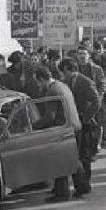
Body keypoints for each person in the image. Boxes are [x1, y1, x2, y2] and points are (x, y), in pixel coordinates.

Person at [35, 66, 91, 202]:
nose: (37, 85)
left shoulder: (52, 91)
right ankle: (83, 186)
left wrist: (34, 126)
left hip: (64, 128)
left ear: (42, 79)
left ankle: (62, 193)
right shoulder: (61, 85)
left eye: (37, 82)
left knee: (59, 161)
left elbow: (50, 117)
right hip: (74, 126)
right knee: (72, 159)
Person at [58, 58, 101, 196]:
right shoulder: (66, 83)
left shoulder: (86, 82)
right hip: (74, 123)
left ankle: (85, 184)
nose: (63, 75)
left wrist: (86, 118)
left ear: (69, 69)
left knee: (85, 155)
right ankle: (81, 184)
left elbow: (97, 101)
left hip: (87, 123)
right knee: (77, 153)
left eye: (64, 72)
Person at [77, 45, 106, 149]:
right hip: (81, 104)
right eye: (80, 54)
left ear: (88, 55)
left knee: (97, 124)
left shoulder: (96, 69)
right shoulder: (76, 70)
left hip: (95, 101)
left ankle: (96, 145)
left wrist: (97, 98)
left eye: (84, 54)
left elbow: (103, 85)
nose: (82, 56)